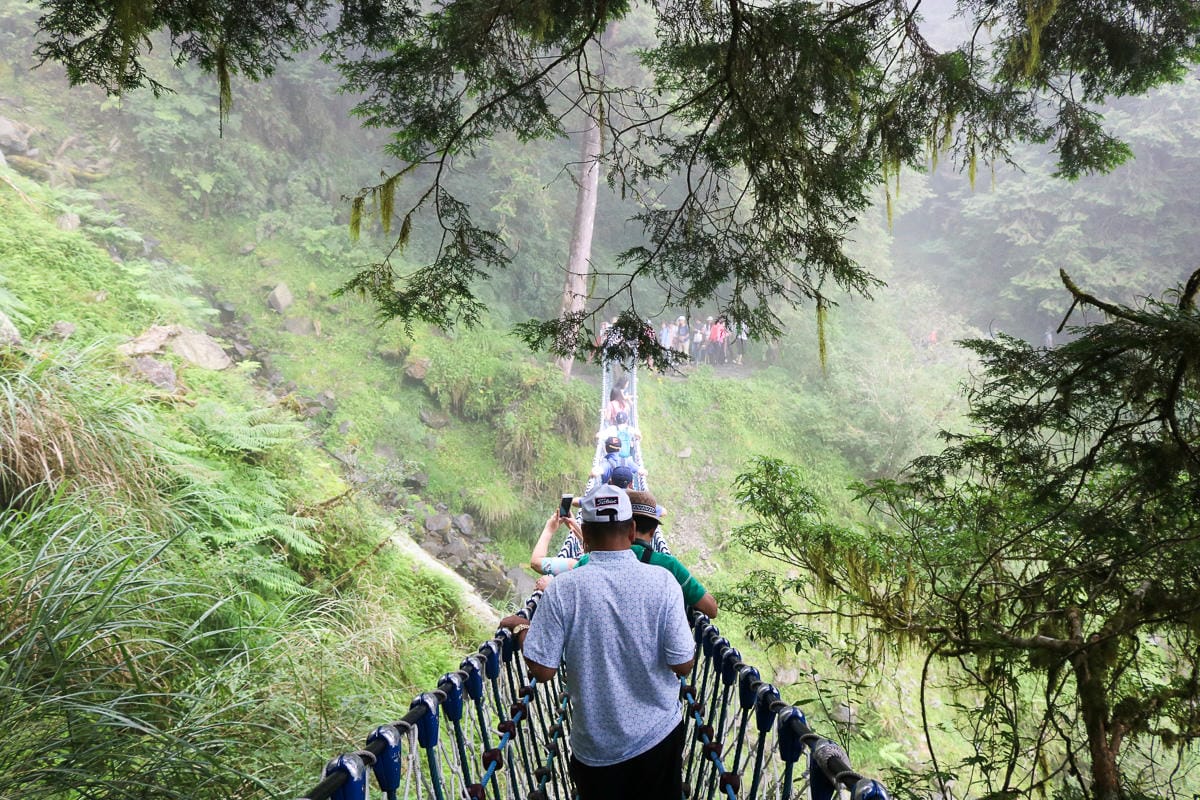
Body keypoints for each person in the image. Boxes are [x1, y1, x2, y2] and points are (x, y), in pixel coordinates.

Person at [503, 485, 694, 800]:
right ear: (632, 530)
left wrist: (523, 629)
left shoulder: (563, 589)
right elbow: (683, 663)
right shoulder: (664, 583)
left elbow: (542, 670)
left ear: (584, 537)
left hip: (597, 751)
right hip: (659, 739)